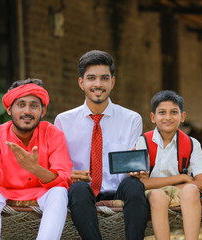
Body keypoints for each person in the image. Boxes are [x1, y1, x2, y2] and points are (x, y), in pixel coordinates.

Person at [54, 50, 150, 240]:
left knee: (134, 185)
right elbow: (58, 166)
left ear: (112, 82)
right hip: (81, 194)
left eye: (104, 78)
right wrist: (68, 175)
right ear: (81, 83)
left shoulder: (132, 119)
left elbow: (132, 164)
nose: (98, 84)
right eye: (91, 78)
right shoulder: (63, 121)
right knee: (78, 189)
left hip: (119, 190)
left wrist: (138, 170)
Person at [0, 78, 73, 240]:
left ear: (43, 111)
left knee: (59, 192)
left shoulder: (54, 134)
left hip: (42, 193)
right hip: (4, 191)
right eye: (21, 104)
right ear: (9, 109)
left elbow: (63, 179)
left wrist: (35, 169)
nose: (27, 111)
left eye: (33, 105)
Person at [134, 90, 202, 240]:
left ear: (182, 117)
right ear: (153, 117)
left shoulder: (192, 144)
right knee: (158, 196)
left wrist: (174, 188)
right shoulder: (143, 142)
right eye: (162, 112)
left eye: (173, 112)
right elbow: (141, 183)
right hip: (152, 193)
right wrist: (181, 177)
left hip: (180, 191)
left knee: (192, 190)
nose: (168, 117)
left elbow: (201, 181)